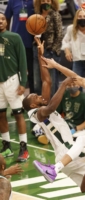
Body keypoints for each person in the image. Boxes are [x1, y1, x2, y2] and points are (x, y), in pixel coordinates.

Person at [23, 38, 85, 198]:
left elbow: (47, 81)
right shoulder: (37, 114)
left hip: (64, 157)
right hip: (71, 153)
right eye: (35, 97)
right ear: (33, 106)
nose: (40, 95)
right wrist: (63, 85)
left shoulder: (42, 109)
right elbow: (51, 107)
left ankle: (53, 170)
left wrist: (40, 55)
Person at [0, 13, 29, 162]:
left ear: (7, 21)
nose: (0, 21)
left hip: (12, 80)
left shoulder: (15, 37)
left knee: (18, 114)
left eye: (3, 19)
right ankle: (7, 146)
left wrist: (23, 83)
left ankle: (24, 148)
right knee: (1, 115)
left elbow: (22, 60)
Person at [33, 0, 63, 96]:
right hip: (37, 49)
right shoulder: (36, 15)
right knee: (37, 81)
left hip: (50, 51)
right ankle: (38, 106)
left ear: (52, 2)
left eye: (48, 0)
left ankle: (52, 107)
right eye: (43, 0)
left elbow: (59, 35)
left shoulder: (55, 14)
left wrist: (53, 50)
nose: (45, 2)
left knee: (51, 82)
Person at [5, 0, 35, 93]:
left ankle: (32, 96)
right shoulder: (12, 1)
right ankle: (15, 95)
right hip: (15, 42)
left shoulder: (35, 2)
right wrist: (6, 35)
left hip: (31, 41)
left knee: (31, 72)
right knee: (15, 71)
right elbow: (7, 18)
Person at [62, 9, 85, 78]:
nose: (82, 18)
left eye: (84, 16)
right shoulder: (71, 29)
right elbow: (65, 41)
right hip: (78, 60)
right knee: (76, 83)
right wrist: (67, 51)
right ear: (76, 18)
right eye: (80, 16)